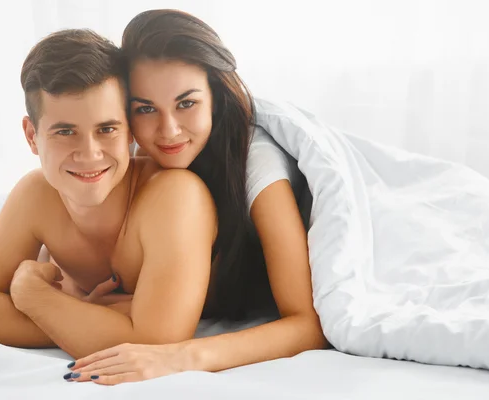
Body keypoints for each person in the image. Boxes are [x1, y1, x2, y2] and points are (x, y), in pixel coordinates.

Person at [66, 9, 326, 385]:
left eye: (186, 103)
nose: (168, 130)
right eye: (145, 109)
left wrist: (181, 357)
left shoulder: (256, 164)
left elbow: (308, 325)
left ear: (216, 99)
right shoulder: (140, 162)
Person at [0, 28, 218, 360]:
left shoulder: (175, 196)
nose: (90, 154)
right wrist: (78, 316)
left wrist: (34, 297)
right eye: (66, 131)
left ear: (128, 129)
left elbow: (157, 343)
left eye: (106, 129)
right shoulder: (36, 195)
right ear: (32, 136)